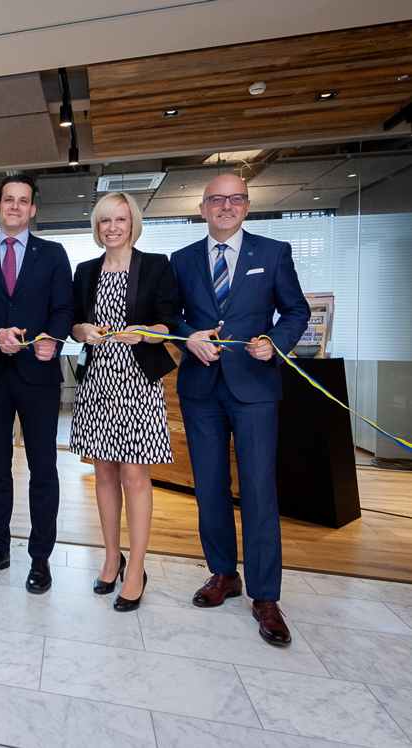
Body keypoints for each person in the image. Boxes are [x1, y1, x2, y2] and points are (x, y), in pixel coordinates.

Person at [171, 173, 309, 645]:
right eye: (216, 199)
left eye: (234, 199)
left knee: (257, 489)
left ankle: (266, 596)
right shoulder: (181, 259)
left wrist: (276, 341)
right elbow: (172, 315)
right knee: (209, 486)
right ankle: (224, 575)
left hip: (254, 387)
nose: (225, 206)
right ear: (203, 207)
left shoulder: (273, 253)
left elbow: (296, 311)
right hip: (200, 388)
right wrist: (186, 335)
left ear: (246, 205)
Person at [0, 175, 73, 594]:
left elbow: (64, 308)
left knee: (44, 468)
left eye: (23, 201)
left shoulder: (54, 253)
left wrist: (53, 337)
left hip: (39, 374)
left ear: (33, 209)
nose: (15, 207)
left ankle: (40, 556)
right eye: (8, 200)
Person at [69, 192, 177, 612]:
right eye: (103, 222)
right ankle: (113, 557)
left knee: (135, 477)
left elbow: (169, 320)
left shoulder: (155, 266)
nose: (112, 228)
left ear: (132, 223)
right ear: (97, 229)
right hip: (98, 383)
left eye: (119, 220)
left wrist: (149, 331)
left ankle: (137, 569)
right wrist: (82, 331)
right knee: (105, 476)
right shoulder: (86, 271)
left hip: (138, 384)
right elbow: (74, 324)